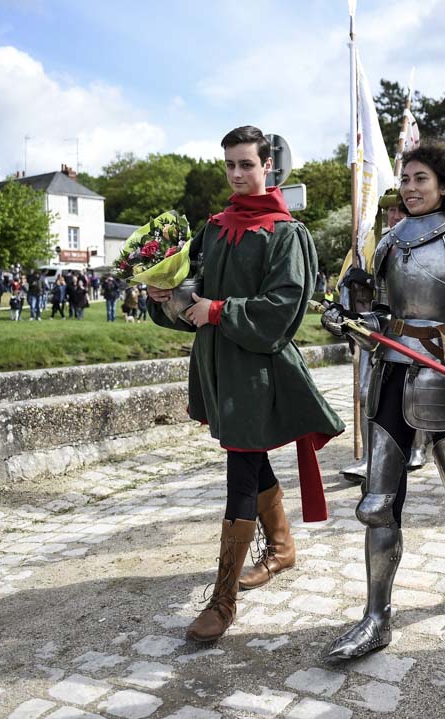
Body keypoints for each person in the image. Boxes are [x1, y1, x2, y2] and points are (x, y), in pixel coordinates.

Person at [148, 125, 344, 644]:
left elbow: (282, 311)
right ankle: (281, 548)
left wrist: (218, 310)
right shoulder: (212, 230)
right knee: (250, 459)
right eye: (230, 165)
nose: (238, 174)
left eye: (247, 165)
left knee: (240, 472)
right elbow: (191, 303)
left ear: (269, 167)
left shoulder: (287, 234)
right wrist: (162, 298)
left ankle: (223, 602)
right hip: (217, 368)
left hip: (259, 373)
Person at [322, 141, 445, 660]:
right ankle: (376, 618)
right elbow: (379, 316)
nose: (409, 187)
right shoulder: (388, 242)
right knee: (377, 506)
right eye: (405, 179)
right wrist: (349, 322)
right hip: (389, 377)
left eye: (420, 179)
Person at [337, 189, 431, 483]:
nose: (394, 216)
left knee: (411, 391)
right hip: (374, 332)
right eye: (390, 211)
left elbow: (420, 287)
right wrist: (353, 288)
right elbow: (349, 290)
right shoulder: (367, 244)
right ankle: (370, 457)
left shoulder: (421, 242)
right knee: (367, 394)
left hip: (410, 332)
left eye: (400, 210)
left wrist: (371, 283)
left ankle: (417, 447)